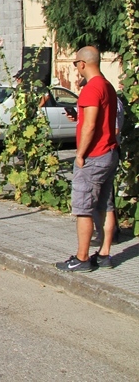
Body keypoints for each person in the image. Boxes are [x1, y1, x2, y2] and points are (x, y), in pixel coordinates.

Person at [56, 46, 118, 272]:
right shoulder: (108, 86)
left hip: (94, 155)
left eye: (75, 63)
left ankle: (82, 258)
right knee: (106, 205)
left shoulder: (91, 89)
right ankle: (104, 255)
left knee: (83, 208)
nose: (76, 67)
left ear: (82, 64)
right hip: (110, 153)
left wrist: (80, 154)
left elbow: (91, 125)